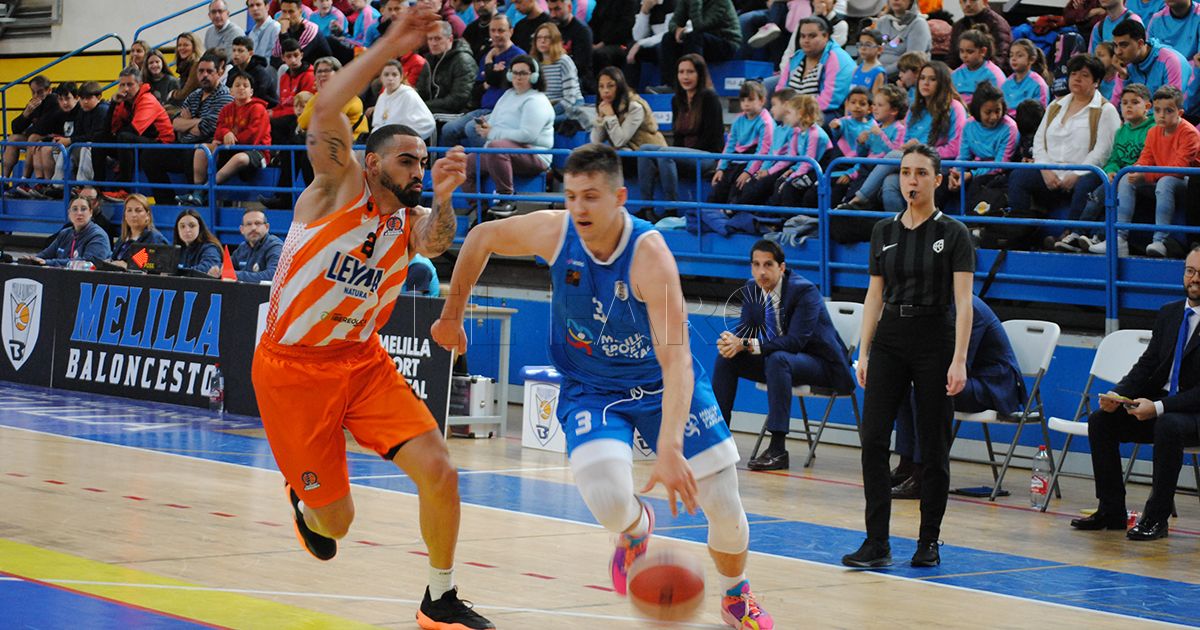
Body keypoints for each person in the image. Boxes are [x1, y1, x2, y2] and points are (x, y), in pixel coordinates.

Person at [432, 143, 774, 629]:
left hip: (660, 384)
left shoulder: (650, 256)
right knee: (608, 500)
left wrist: (670, 446)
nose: (579, 208)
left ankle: (736, 595)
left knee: (723, 506)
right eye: (571, 196)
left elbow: (677, 361)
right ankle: (635, 529)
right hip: (591, 387)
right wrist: (451, 315)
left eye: (591, 196)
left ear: (619, 198)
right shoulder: (556, 232)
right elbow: (482, 236)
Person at [250, 5, 493, 625]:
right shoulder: (337, 185)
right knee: (336, 525)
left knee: (440, 470)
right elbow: (326, 107)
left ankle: (439, 599)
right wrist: (393, 42)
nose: (419, 169)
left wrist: (444, 198)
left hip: (361, 362)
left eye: (423, 161)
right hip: (292, 369)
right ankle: (305, 499)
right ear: (374, 162)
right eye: (408, 161)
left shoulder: (408, 220)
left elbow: (437, 241)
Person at [841, 144, 975, 570]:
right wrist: (863, 351)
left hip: (935, 335)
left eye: (920, 173)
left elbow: (964, 302)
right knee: (873, 439)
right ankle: (876, 541)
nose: (911, 181)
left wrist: (959, 359)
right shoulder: (883, 231)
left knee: (933, 446)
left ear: (937, 179)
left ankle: (928, 540)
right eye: (904, 172)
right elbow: (874, 295)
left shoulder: (954, 232)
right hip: (890, 338)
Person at [1071, 246, 1200, 540]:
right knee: (1101, 420)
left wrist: (1158, 407)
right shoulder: (1170, 313)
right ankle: (1111, 510)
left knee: (1168, 424)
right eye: (1190, 271)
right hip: (1161, 408)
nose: (1194, 279)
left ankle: (1156, 519)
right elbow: (1147, 364)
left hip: (1191, 415)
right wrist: (1118, 395)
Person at [711, 239, 855, 471]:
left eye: (768, 264)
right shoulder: (752, 288)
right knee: (727, 358)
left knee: (779, 359)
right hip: (782, 363)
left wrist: (744, 344)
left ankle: (778, 450)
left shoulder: (804, 291)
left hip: (822, 365)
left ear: (782, 267)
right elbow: (745, 331)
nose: (761, 272)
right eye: (756, 265)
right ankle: (718, 441)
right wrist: (731, 343)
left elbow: (795, 342)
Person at [890, 295, 1025, 498]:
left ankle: (922, 474)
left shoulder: (969, 309)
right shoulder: (940, 305)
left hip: (993, 384)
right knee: (903, 387)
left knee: (925, 392)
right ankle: (906, 465)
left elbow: (960, 364)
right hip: (971, 379)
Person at [1008, 54, 1121, 242]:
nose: (1077, 79)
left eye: (1084, 75)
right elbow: (1039, 141)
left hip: (1083, 173)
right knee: (1019, 176)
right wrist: (1045, 169)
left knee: (1088, 181)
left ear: (1096, 82)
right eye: (1074, 74)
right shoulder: (1055, 105)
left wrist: (1076, 173)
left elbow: (1103, 151)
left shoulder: (1105, 110)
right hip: (1051, 173)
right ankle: (1020, 232)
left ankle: (1071, 235)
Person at [1107, 85, 1200, 257]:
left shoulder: (1190, 134)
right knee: (1126, 176)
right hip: (1161, 176)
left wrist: (1146, 173)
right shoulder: (1153, 131)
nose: (1161, 115)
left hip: (1188, 184)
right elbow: (1145, 159)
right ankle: (1120, 238)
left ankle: (1160, 241)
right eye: (1157, 110)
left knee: (1166, 182)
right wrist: (1137, 170)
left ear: (1180, 113)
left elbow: (1179, 169)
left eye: (1168, 111)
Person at [1064, 83, 1153, 253]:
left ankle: (1100, 236)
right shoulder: (1121, 131)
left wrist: (1125, 173)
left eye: (1135, 102)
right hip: (1119, 177)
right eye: (1125, 103)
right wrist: (1111, 170)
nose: (1128, 106)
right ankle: (1078, 233)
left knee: (1110, 194)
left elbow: (1149, 157)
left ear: (1147, 107)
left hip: (1137, 178)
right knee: (1096, 195)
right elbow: (1114, 159)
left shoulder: (1152, 129)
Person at [462, 55, 555, 217]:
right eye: (515, 73)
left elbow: (527, 135)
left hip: (535, 154)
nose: (518, 77)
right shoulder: (508, 95)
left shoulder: (537, 100)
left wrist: (492, 133)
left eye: (523, 73)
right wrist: (486, 126)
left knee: (496, 147)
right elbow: (495, 121)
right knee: (466, 163)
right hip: (502, 151)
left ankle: (507, 199)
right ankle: (479, 209)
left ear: (534, 76)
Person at [636, 54, 723, 219]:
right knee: (645, 150)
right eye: (681, 72)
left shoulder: (710, 98)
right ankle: (647, 208)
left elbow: (712, 137)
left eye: (690, 72)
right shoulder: (677, 100)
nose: (685, 76)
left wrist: (680, 155)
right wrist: (679, 155)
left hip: (707, 156)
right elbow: (677, 136)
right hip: (684, 155)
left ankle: (671, 209)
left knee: (665, 153)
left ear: (699, 74)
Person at [146, 52, 234, 205]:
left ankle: (198, 202)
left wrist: (187, 123)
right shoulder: (194, 95)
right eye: (201, 71)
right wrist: (194, 123)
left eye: (209, 71)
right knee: (149, 154)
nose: (204, 75)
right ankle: (167, 202)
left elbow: (206, 128)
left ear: (219, 73)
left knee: (193, 152)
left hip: (208, 151)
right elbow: (174, 123)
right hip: (185, 145)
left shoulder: (225, 96)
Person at [438, 14, 526, 148]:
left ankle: (488, 161)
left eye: (501, 30)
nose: (496, 34)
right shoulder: (486, 56)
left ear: (511, 31)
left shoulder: (518, 56)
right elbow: (477, 89)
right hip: (483, 109)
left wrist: (490, 70)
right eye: (493, 30)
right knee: (448, 129)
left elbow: (505, 82)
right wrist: (491, 75)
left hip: (504, 112)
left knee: (472, 128)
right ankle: (454, 161)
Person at [93, 66, 176, 201]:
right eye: (122, 85)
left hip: (161, 144)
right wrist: (113, 104)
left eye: (130, 84)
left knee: (124, 137)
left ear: (139, 84)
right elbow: (107, 130)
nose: (125, 89)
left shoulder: (147, 100)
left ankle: (124, 190)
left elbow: (133, 131)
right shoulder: (123, 102)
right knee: (99, 138)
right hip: (138, 142)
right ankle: (97, 189)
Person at [947, 81, 1018, 196]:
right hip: (974, 170)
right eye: (988, 112)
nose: (993, 117)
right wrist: (955, 173)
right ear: (977, 110)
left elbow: (1000, 166)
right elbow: (963, 157)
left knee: (976, 185)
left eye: (997, 111)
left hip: (998, 175)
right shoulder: (968, 125)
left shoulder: (1010, 128)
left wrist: (971, 175)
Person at [780, 17, 855, 121]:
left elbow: (829, 101)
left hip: (826, 112)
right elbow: (781, 90)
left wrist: (797, 113)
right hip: (794, 110)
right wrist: (783, 107)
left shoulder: (838, 59)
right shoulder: (797, 57)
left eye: (812, 36)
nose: (806, 40)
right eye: (803, 36)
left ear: (825, 36)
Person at [657, 0, 740, 89]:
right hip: (702, 41)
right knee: (668, 38)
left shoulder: (721, 2)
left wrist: (696, 2)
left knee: (694, 37)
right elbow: (673, 22)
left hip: (726, 43)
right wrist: (677, 29)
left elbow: (700, 26)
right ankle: (670, 85)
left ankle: (697, 85)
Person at [591, 66, 666, 157]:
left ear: (619, 86)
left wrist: (610, 116)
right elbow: (596, 141)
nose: (605, 91)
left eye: (611, 86)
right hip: (628, 153)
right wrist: (600, 118)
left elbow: (619, 141)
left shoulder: (635, 107)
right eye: (601, 86)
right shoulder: (605, 106)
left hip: (649, 156)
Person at [21, 196, 113, 267]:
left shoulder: (98, 236)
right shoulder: (65, 233)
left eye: (83, 209)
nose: (79, 213)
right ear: (69, 213)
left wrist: (48, 262)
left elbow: (88, 263)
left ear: (91, 212)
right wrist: (33, 259)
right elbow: (46, 254)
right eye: (75, 209)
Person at [532, 22, 589, 133]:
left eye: (547, 38)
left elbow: (570, 99)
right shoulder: (536, 64)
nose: (542, 41)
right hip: (546, 107)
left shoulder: (564, 61)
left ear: (555, 40)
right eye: (539, 38)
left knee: (542, 123)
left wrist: (549, 113)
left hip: (569, 107)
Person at [1112, 19, 1190, 96]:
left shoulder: (1170, 62)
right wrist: (1123, 76)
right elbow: (1116, 103)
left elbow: (1172, 102)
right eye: (1115, 45)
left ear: (1140, 43)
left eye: (1124, 45)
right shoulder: (1128, 63)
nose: (1118, 52)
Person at [3, 75, 53, 187]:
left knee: (32, 138)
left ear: (49, 90)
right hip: (36, 138)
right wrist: (26, 114)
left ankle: (24, 180)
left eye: (39, 92)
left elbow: (43, 127)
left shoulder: (53, 101)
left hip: (51, 138)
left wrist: (29, 131)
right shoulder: (33, 103)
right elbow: (15, 128)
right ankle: (4, 180)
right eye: (33, 92)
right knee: (13, 139)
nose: (35, 96)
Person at [371, 60, 435, 140]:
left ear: (401, 77)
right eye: (386, 75)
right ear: (381, 78)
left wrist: (405, 138)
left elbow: (428, 123)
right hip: (385, 143)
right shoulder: (382, 97)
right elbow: (377, 125)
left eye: (394, 75)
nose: (390, 78)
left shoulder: (409, 95)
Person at [422, 20, 476, 115]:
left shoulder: (463, 60)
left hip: (457, 112)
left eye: (438, 39)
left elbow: (458, 99)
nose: (433, 43)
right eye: (430, 39)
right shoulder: (429, 59)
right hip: (434, 107)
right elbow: (422, 89)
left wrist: (424, 105)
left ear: (450, 39)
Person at [546, 0, 594, 93]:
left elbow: (581, 66)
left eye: (557, 9)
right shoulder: (550, 29)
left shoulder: (582, 31)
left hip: (577, 81)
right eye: (550, 10)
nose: (553, 15)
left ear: (569, 7)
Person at [949, 0, 1012, 71]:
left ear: (984, 2)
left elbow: (1000, 59)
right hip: (963, 73)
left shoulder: (997, 24)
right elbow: (952, 58)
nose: (967, 4)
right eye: (964, 1)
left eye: (973, 0)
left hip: (991, 73)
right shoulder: (958, 26)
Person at [110, 194, 170, 268]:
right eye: (129, 210)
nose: (133, 215)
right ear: (125, 215)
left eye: (138, 210)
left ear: (147, 215)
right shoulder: (122, 239)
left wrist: (127, 266)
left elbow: (156, 268)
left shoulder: (155, 240)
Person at [876, 0, 932, 75]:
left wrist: (881, 73)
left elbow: (912, 60)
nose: (896, 0)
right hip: (877, 71)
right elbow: (873, 50)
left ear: (911, 2)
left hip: (903, 74)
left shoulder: (919, 24)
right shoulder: (882, 21)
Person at [271, 0, 333, 67]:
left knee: (284, 67)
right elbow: (275, 56)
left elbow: (293, 56)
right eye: (284, 11)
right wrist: (281, 31)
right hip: (297, 68)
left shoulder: (310, 28)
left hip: (320, 69)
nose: (287, 16)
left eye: (291, 12)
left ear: (300, 12)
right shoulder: (284, 27)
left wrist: (283, 33)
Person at [951, 30, 1006, 105]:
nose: (964, 55)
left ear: (983, 51)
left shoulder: (993, 75)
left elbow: (999, 102)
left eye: (970, 52)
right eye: (961, 51)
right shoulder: (955, 74)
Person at [227, 208, 282, 281]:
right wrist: (218, 269)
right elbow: (227, 267)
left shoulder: (275, 246)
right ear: (242, 229)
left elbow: (274, 275)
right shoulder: (242, 247)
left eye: (257, 223)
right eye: (249, 224)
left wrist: (235, 275)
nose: (253, 228)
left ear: (267, 227)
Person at [227, 36, 278, 109]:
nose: (236, 54)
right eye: (234, 50)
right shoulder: (232, 72)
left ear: (250, 53)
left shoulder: (260, 73)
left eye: (240, 51)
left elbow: (260, 95)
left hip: (265, 108)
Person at [1003, 39, 1051, 115]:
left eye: (1019, 55)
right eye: (1011, 55)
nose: (1013, 59)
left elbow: (1040, 113)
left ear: (1031, 59)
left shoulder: (1038, 84)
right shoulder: (1006, 83)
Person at [175, 208, 224, 274]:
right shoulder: (178, 248)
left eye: (192, 226)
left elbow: (208, 268)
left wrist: (177, 273)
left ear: (200, 228)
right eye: (182, 226)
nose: (187, 230)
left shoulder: (210, 248)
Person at [168, 32, 204, 108]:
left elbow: (186, 92)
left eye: (186, 45)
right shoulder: (183, 64)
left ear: (194, 47)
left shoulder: (196, 65)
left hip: (194, 105)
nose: (181, 48)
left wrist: (172, 94)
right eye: (179, 45)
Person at [852, 29, 888, 94]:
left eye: (868, 45)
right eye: (860, 44)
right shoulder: (857, 69)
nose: (863, 48)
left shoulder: (878, 73)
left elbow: (875, 98)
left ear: (879, 49)